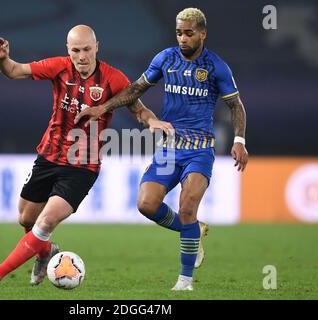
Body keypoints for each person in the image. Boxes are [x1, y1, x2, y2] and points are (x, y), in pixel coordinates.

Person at [0, 25, 171, 288]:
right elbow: (15, 71)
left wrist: (152, 121)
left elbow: (138, 109)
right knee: (26, 219)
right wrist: (2, 59)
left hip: (82, 166)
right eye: (75, 50)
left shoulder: (113, 79)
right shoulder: (59, 67)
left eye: (86, 49)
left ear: (97, 47)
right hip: (48, 156)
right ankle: (46, 252)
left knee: (46, 221)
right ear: (68, 50)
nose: (81, 56)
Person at [74, 8, 249, 291]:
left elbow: (235, 105)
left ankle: (184, 281)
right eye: (179, 32)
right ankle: (193, 230)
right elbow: (135, 90)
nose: (182, 38)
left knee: (187, 207)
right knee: (146, 204)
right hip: (169, 148)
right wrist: (103, 108)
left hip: (199, 149)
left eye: (189, 33)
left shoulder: (216, 67)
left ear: (202, 34)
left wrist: (239, 141)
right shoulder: (165, 59)